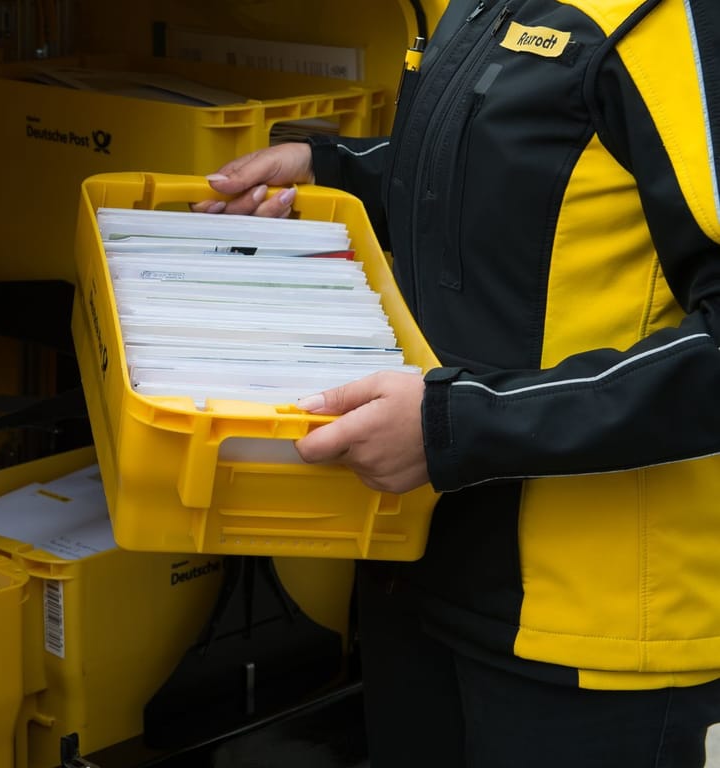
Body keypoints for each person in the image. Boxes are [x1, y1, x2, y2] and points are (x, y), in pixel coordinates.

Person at [194, 0, 720, 765]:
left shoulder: (671, 19)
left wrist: (458, 426)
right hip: (423, 576)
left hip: (592, 637)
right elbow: (527, 174)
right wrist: (336, 174)